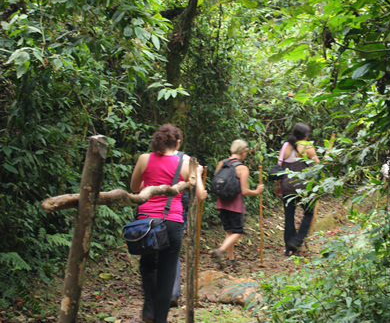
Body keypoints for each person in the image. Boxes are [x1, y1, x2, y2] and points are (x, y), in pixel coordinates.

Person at [130, 124, 207, 323]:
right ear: (178, 142)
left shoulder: (144, 159)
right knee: (167, 271)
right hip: (172, 222)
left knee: (148, 265)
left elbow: (134, 187)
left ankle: (149, 309)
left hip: (146, 222)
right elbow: (199, 195)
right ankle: (160, 319)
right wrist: (197, 174)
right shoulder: (186, 162)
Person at [211, 139, 264, 269]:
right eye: (246, 152)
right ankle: (221, 250)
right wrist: (257, 191)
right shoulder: (242, 168)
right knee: (237, 232)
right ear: (242, 152)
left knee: (229, 231)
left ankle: (231, 260)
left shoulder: (221, 164)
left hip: (221, 203)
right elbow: (245, 191)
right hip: (235, 205)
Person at [277, 123, 320, 256]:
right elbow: (319, 166)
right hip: (303, 187)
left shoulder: (285, 146)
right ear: (306, 136)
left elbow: (279, 167)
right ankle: (297, 240)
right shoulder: (308, 147)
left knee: (289, 216)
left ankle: (289, 249)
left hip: (287, 185)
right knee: (308, 213)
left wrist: (278, 186)